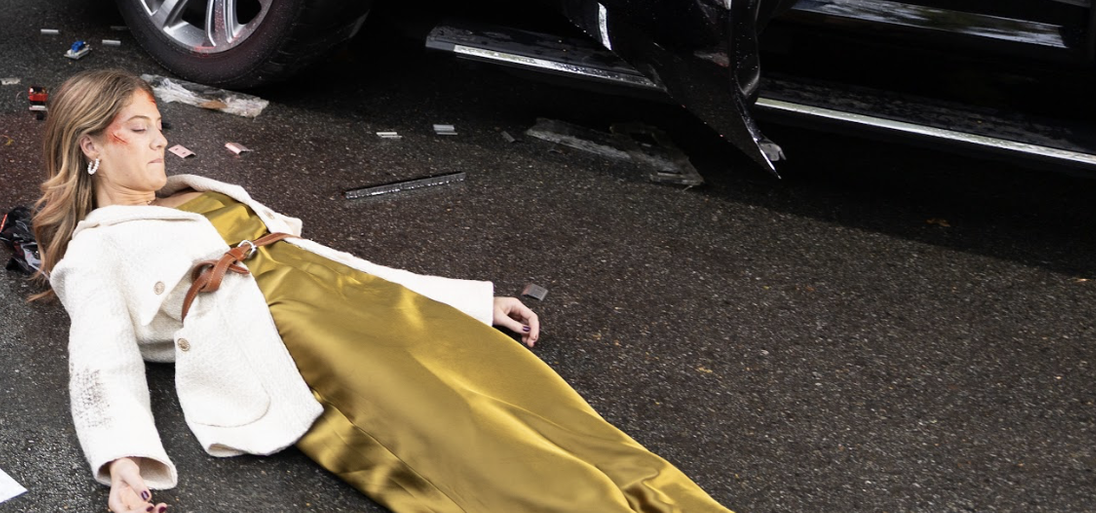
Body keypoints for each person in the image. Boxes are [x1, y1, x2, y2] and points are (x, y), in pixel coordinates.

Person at [39, 68, 732, 513]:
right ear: (90, 145)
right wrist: (121, 463)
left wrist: (469, 301)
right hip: (292, 330)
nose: (159, 142)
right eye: (138, 130)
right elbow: (99, 359)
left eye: (160, 127)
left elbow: (321, 257)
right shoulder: (94, 248)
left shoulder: (195, 190)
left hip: (358, 297)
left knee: (544, 408)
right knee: (474, 447)